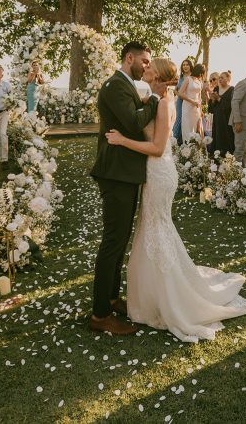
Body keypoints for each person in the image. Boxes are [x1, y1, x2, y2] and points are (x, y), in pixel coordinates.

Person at [104, 58, 246, 342]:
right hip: (155, 172)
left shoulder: (163, 103)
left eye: (150, 67)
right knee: (153, 228)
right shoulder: (156, 98)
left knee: (157, 230)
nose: (145, 68)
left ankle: (169, 298)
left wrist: (123, 141)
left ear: (158, 76)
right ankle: (152, 296)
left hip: (158, 171)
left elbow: (158, 147)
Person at [89, 41, 161, 335]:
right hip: (116, 173)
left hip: (125, 173)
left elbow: (131, 114)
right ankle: (100, 315)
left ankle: (111, 298)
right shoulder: (115, 85)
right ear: (129, 58)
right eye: (144, 61)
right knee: (112, 242)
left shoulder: (124, 85)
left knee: (120, 240)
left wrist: (144, 101)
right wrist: (153, 100)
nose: (147, 66)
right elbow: (132, 123)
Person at [209, 71, 235, 157]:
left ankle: (227, 158)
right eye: (219, 77)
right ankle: (216, 158)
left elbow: (230, 106)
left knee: (226, 138)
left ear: (228, 79)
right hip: (217, 119)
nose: (220, 79)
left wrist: (219, 99)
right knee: (217, 137)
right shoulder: (216, 89)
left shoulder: (232, 90)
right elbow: (211, 108)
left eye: (222, 77)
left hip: (226, 120)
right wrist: (213, 100)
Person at [179, 63, 205, 142]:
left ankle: (196, 147)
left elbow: (199, 97)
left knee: (197, 129)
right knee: (187, 128)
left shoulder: (199, 81)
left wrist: (201, 110)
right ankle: (187, 147)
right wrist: (192, 101)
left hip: (196, 108)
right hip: (187, 107)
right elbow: (180, 93)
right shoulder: (188, 79)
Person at [173, 58, 193, 142]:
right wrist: (180, 95)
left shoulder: (193, 77)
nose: (185, 66)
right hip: (180, 102)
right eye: (183, 65)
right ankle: (174, 140)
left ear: (190, 66)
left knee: (187, 121)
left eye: (187, 65)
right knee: (179, 119)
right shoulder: (180, 78)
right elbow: (175, 90)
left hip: (190, 102)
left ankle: (187, 140)